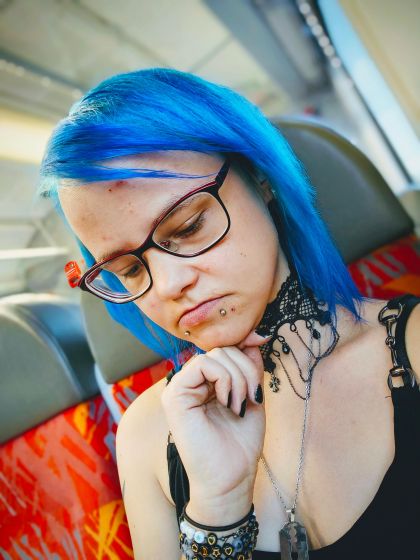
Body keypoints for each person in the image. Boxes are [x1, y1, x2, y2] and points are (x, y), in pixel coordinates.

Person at [39, 68, 420, 559]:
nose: (168, 286)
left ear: (260, 179)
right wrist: (217, 509)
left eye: (188, 227)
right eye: (129, 270)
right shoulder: (146, 434)